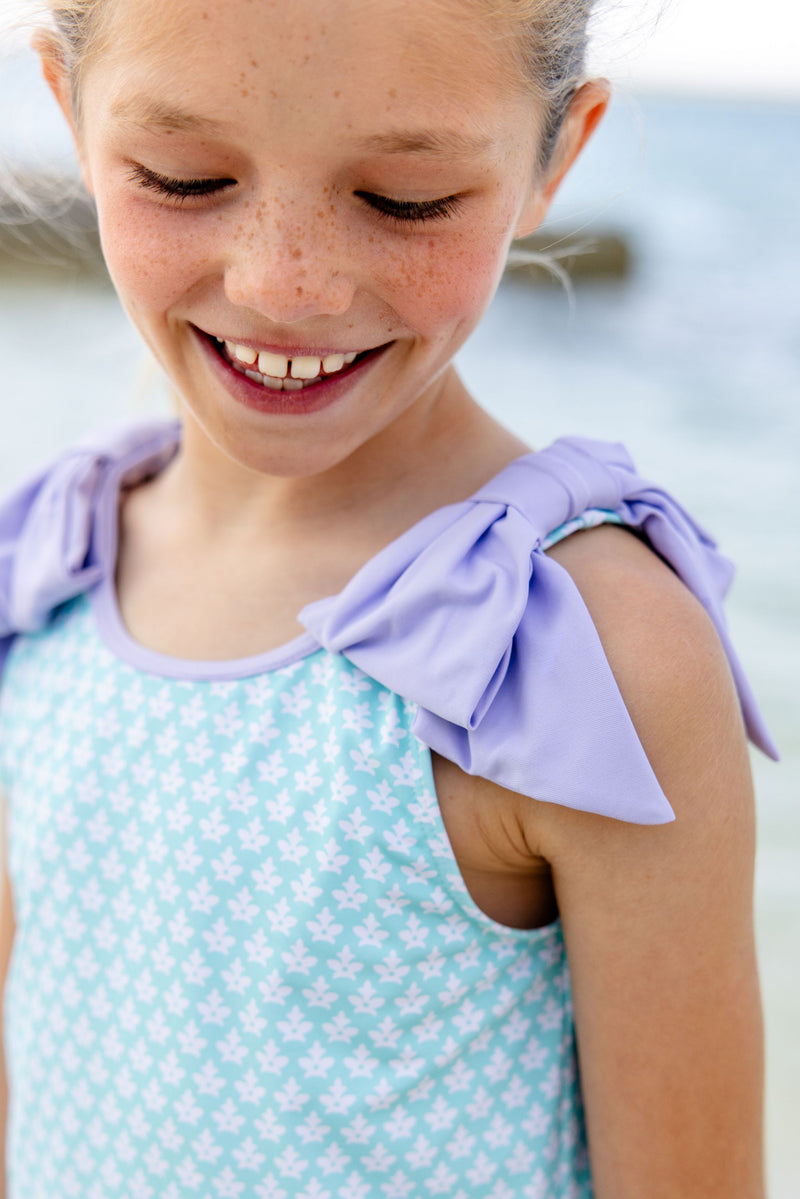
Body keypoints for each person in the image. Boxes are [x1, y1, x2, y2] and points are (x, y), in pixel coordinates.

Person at [0, 1, 776, 1195]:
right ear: (68, 108)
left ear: (553, 157)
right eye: (183, 176)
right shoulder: (45, 570)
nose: (284, 286)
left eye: (403, 200)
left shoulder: (573, 654)